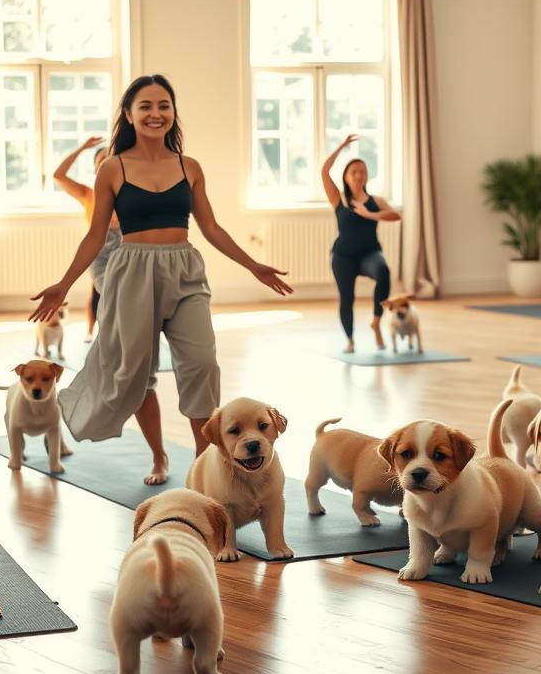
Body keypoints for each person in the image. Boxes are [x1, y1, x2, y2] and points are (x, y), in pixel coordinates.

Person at [29, 75, 292, 484]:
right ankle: (159, 456)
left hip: (184, 269)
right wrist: (63, 284)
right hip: (131, 270)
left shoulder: (190, 166)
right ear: (129, 114)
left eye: (164, 105)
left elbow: (212, 227)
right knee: (136, 373)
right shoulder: (112, 168)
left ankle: (208, 468)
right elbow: (96, 235)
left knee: (203, 363)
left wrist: (253, 265)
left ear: (173, 112)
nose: (156, 113)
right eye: (146, 106)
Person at [321, 134, 401, 353]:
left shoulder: (375, 201)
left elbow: (396, 216)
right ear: (346, 177)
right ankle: (350, 340)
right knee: (347, 298)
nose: (358, 175)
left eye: (362, 172)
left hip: (369, 254)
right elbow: (324, 171)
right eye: (353, 172)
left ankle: (376, 323)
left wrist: (370, 215)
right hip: (343, 256)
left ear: (367, 176)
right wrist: (341, 147)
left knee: (383, 271)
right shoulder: (339, 200)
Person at [52, 136, 122, 341]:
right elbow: (58, 175)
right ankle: (93, 333)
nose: (107, 161)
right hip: (100, 248)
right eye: (102, 160)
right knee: (99, 292)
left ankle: (115, 333)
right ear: (95, 169)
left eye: (111, 158)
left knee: (121, 292)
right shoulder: (87, 194)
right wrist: (82, 148)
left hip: (124, 246)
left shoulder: (128, 193)